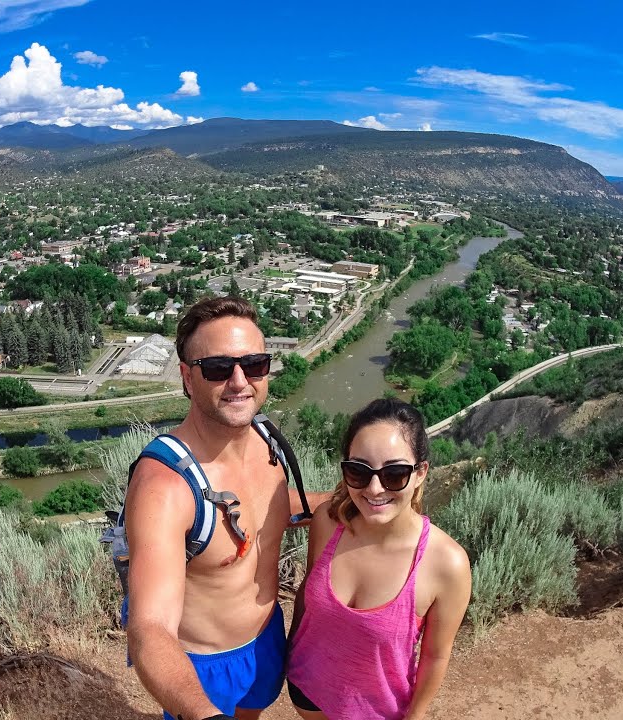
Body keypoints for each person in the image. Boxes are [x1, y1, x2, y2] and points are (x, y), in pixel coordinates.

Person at [122, 296, 329, 720]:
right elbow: (150, 628)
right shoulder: (165, 487)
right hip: (202, 666)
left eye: (254, 364)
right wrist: (203, 713)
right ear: (186, 377)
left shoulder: (264, 439)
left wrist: (348, 500)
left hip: (265, 637)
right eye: (218, 368)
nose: (239, 382)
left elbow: (261, 515)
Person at [286, 398, 472, 719]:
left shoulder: (446, 564)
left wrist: (414, 716)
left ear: (420, 473)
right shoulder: (328, 523)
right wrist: (289, 655)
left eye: (394, 473)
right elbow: (306, 597)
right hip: (307, 691)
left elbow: (436, 657)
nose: (374, 489)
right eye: (358, 471)